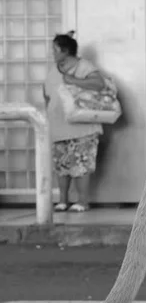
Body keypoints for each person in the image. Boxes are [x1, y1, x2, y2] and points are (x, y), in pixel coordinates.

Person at [43, 32, 107, 213]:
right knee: (62, 166)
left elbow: (99, 84)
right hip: (59, 127)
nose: (53, 53)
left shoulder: (83, 66)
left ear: (65, 50)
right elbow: (47, 94)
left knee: (81, 166)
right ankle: (62, 200)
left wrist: (73, 80)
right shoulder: (54, 69)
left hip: (83, 128)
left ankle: (82, 201)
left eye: (55, 49)